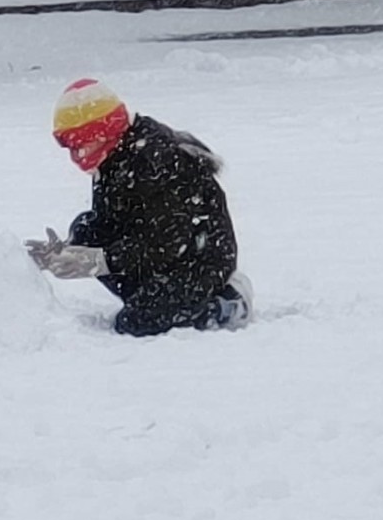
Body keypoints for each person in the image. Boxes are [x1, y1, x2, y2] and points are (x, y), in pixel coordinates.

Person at [26, 78, 253, 336]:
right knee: (86, 231)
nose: (76, 155)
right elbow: (110, 220)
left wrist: (100, 261)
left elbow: (164, 244)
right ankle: (151, 296)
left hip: (198, 260)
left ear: (104, 132)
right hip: (157, 251)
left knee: (138, 323)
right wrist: (68, 251)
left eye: (81, 142)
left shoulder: (155, 162)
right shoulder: (112, 156)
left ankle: (224, 303)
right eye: (70, 145)